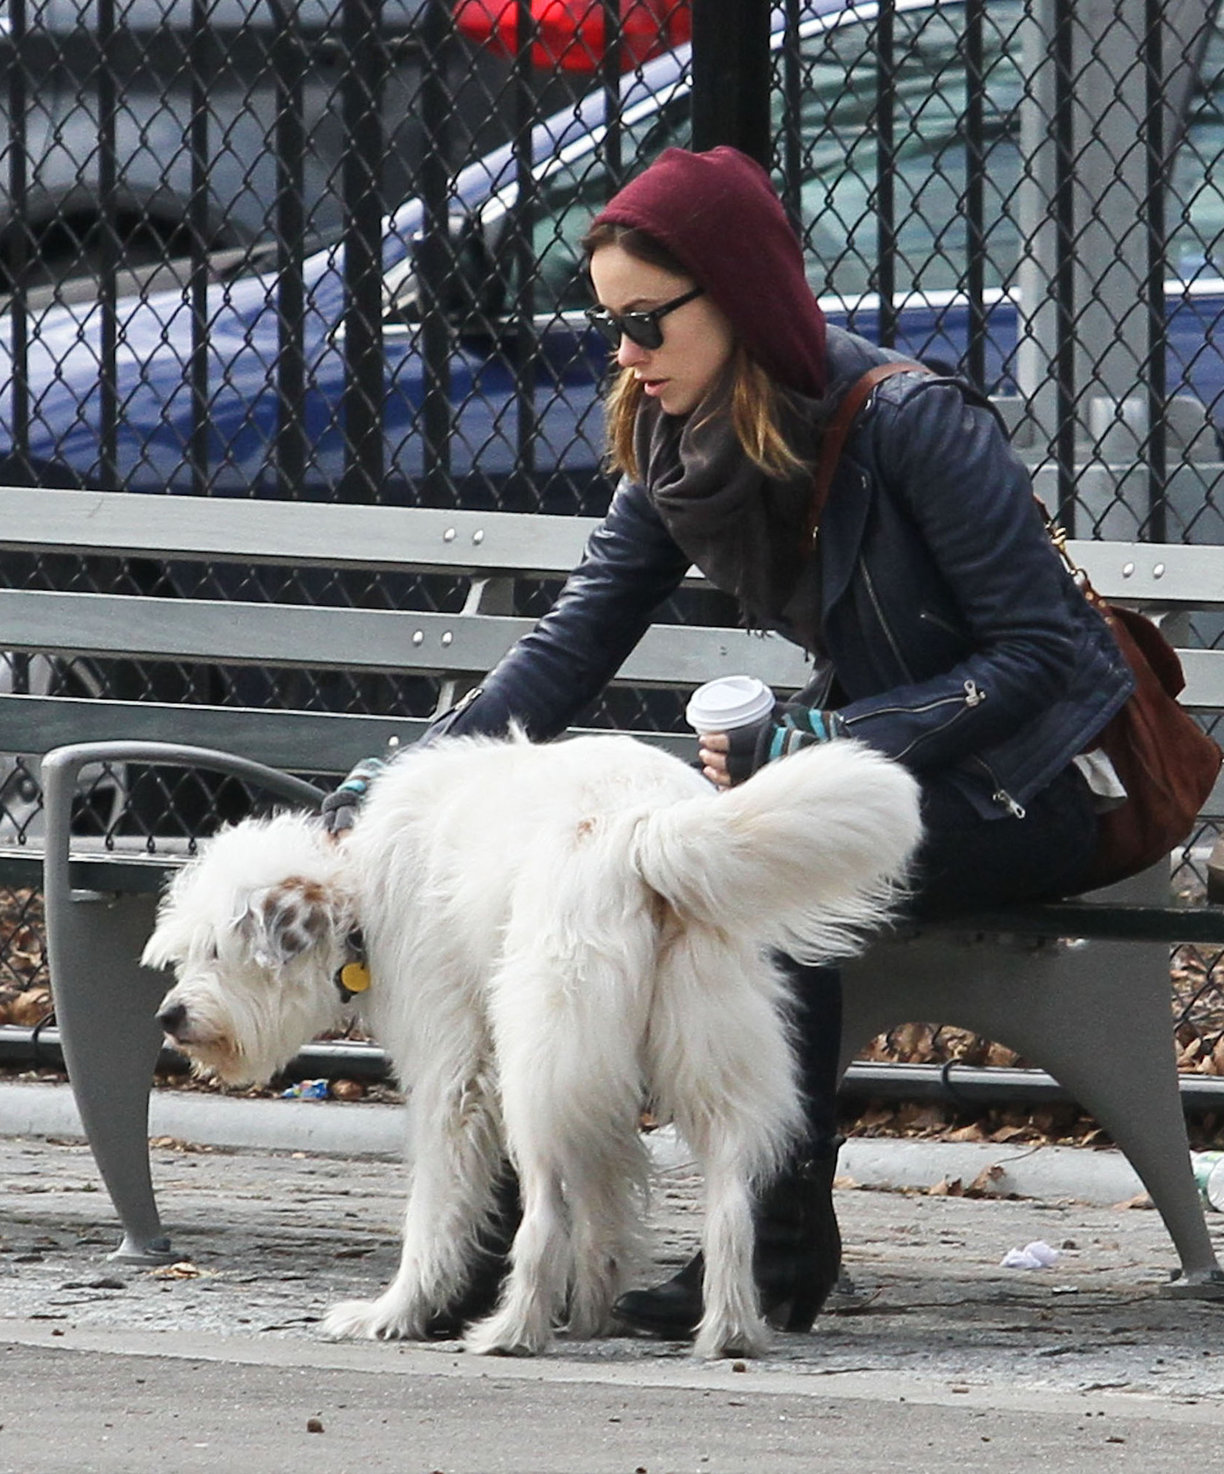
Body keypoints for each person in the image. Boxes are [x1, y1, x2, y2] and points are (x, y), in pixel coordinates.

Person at [323, 144, 1135, 1341]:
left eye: (644, 321)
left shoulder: (913, 421)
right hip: (877, 772)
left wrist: (830, 734)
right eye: (609, 324)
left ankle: (774, 1253)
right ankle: (509, 1235)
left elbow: (1039, 655)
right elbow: (573, 642)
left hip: (1040, 781)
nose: (624, 354)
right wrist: (405, 775)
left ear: (739, 297)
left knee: (745, 879)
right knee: (585, 874)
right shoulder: (678, 436)